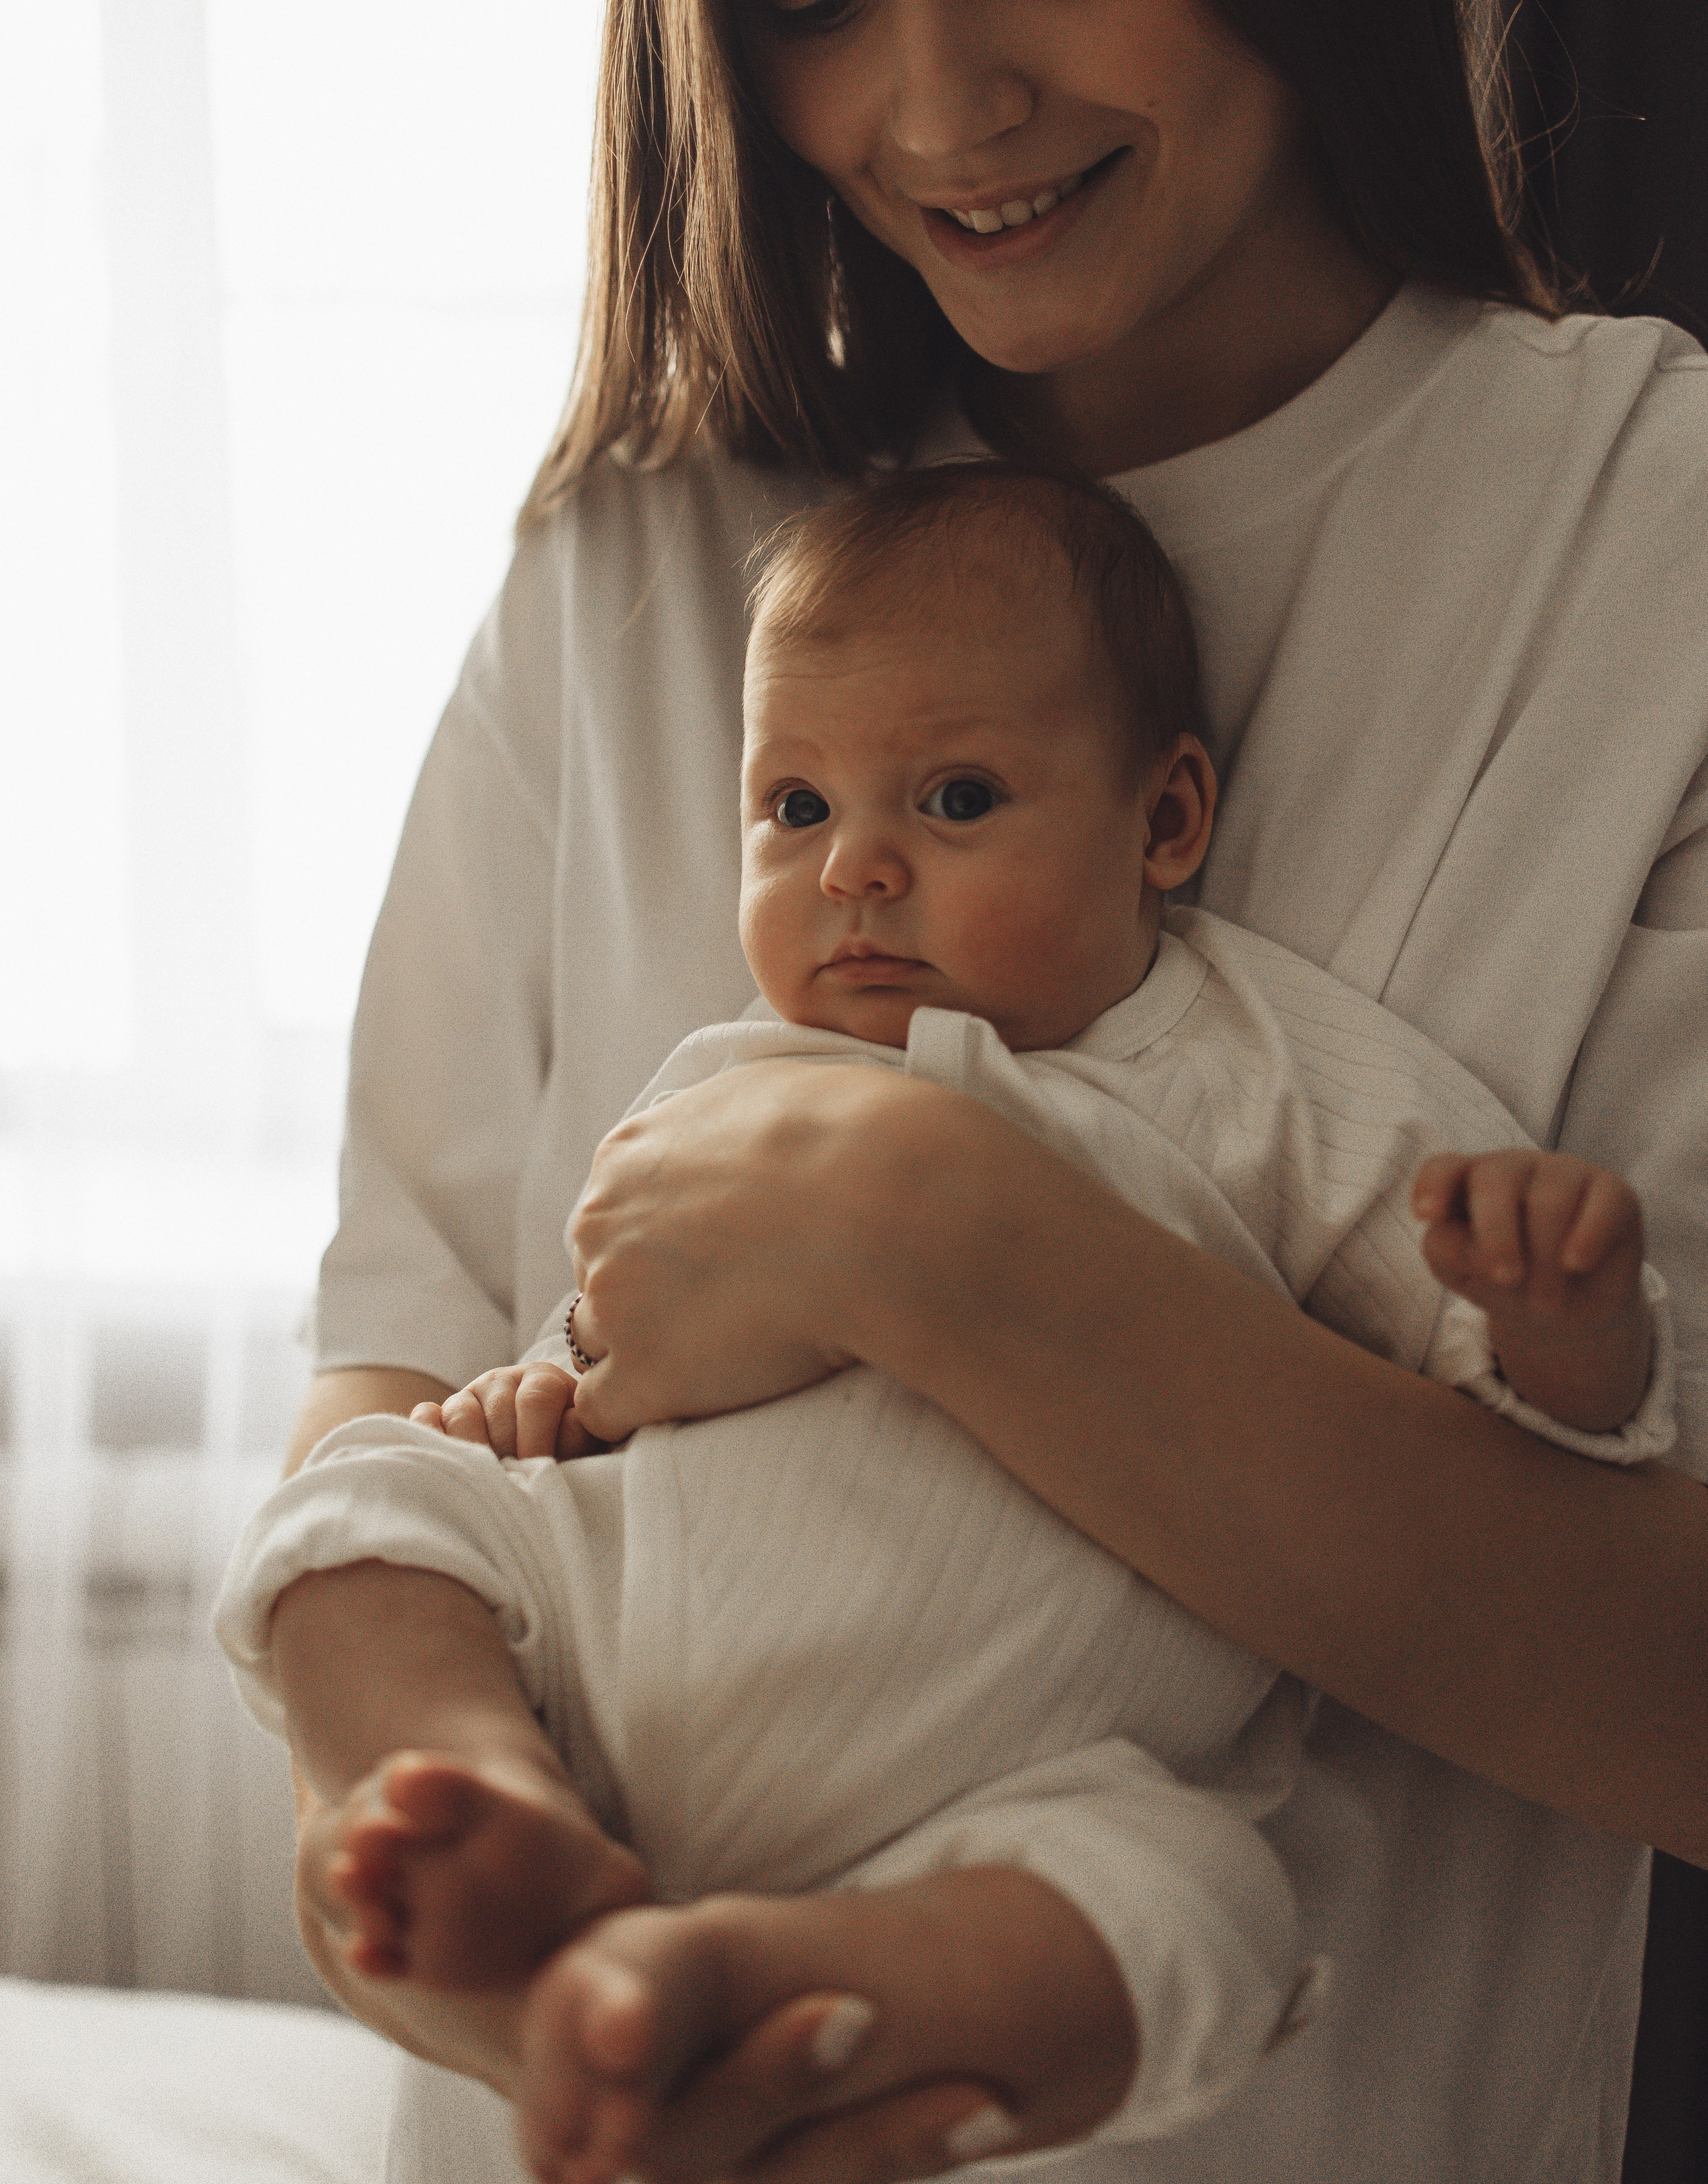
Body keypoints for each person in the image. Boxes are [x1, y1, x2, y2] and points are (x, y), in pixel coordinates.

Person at [272, 0, 1708, 2180]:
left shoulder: (1648, 549)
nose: (936, 104)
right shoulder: (632, 568)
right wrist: (460, 1864)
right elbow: (396, 1405)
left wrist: (926, 1227)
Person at [225, 468, 1675, 2184]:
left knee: (1195, 1907)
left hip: (1025, 1765)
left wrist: (1564, 1316)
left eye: (956, 797)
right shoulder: (727, 1070)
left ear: (1164, 823)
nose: (853, 868)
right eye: (790, 806)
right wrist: (531, 1408)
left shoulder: (1246, 1067)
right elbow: (601, 1355)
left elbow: (1523, 1409)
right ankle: (482, 1796)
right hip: (626, 1670)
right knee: (356, 1514)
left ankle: (775, 1983)